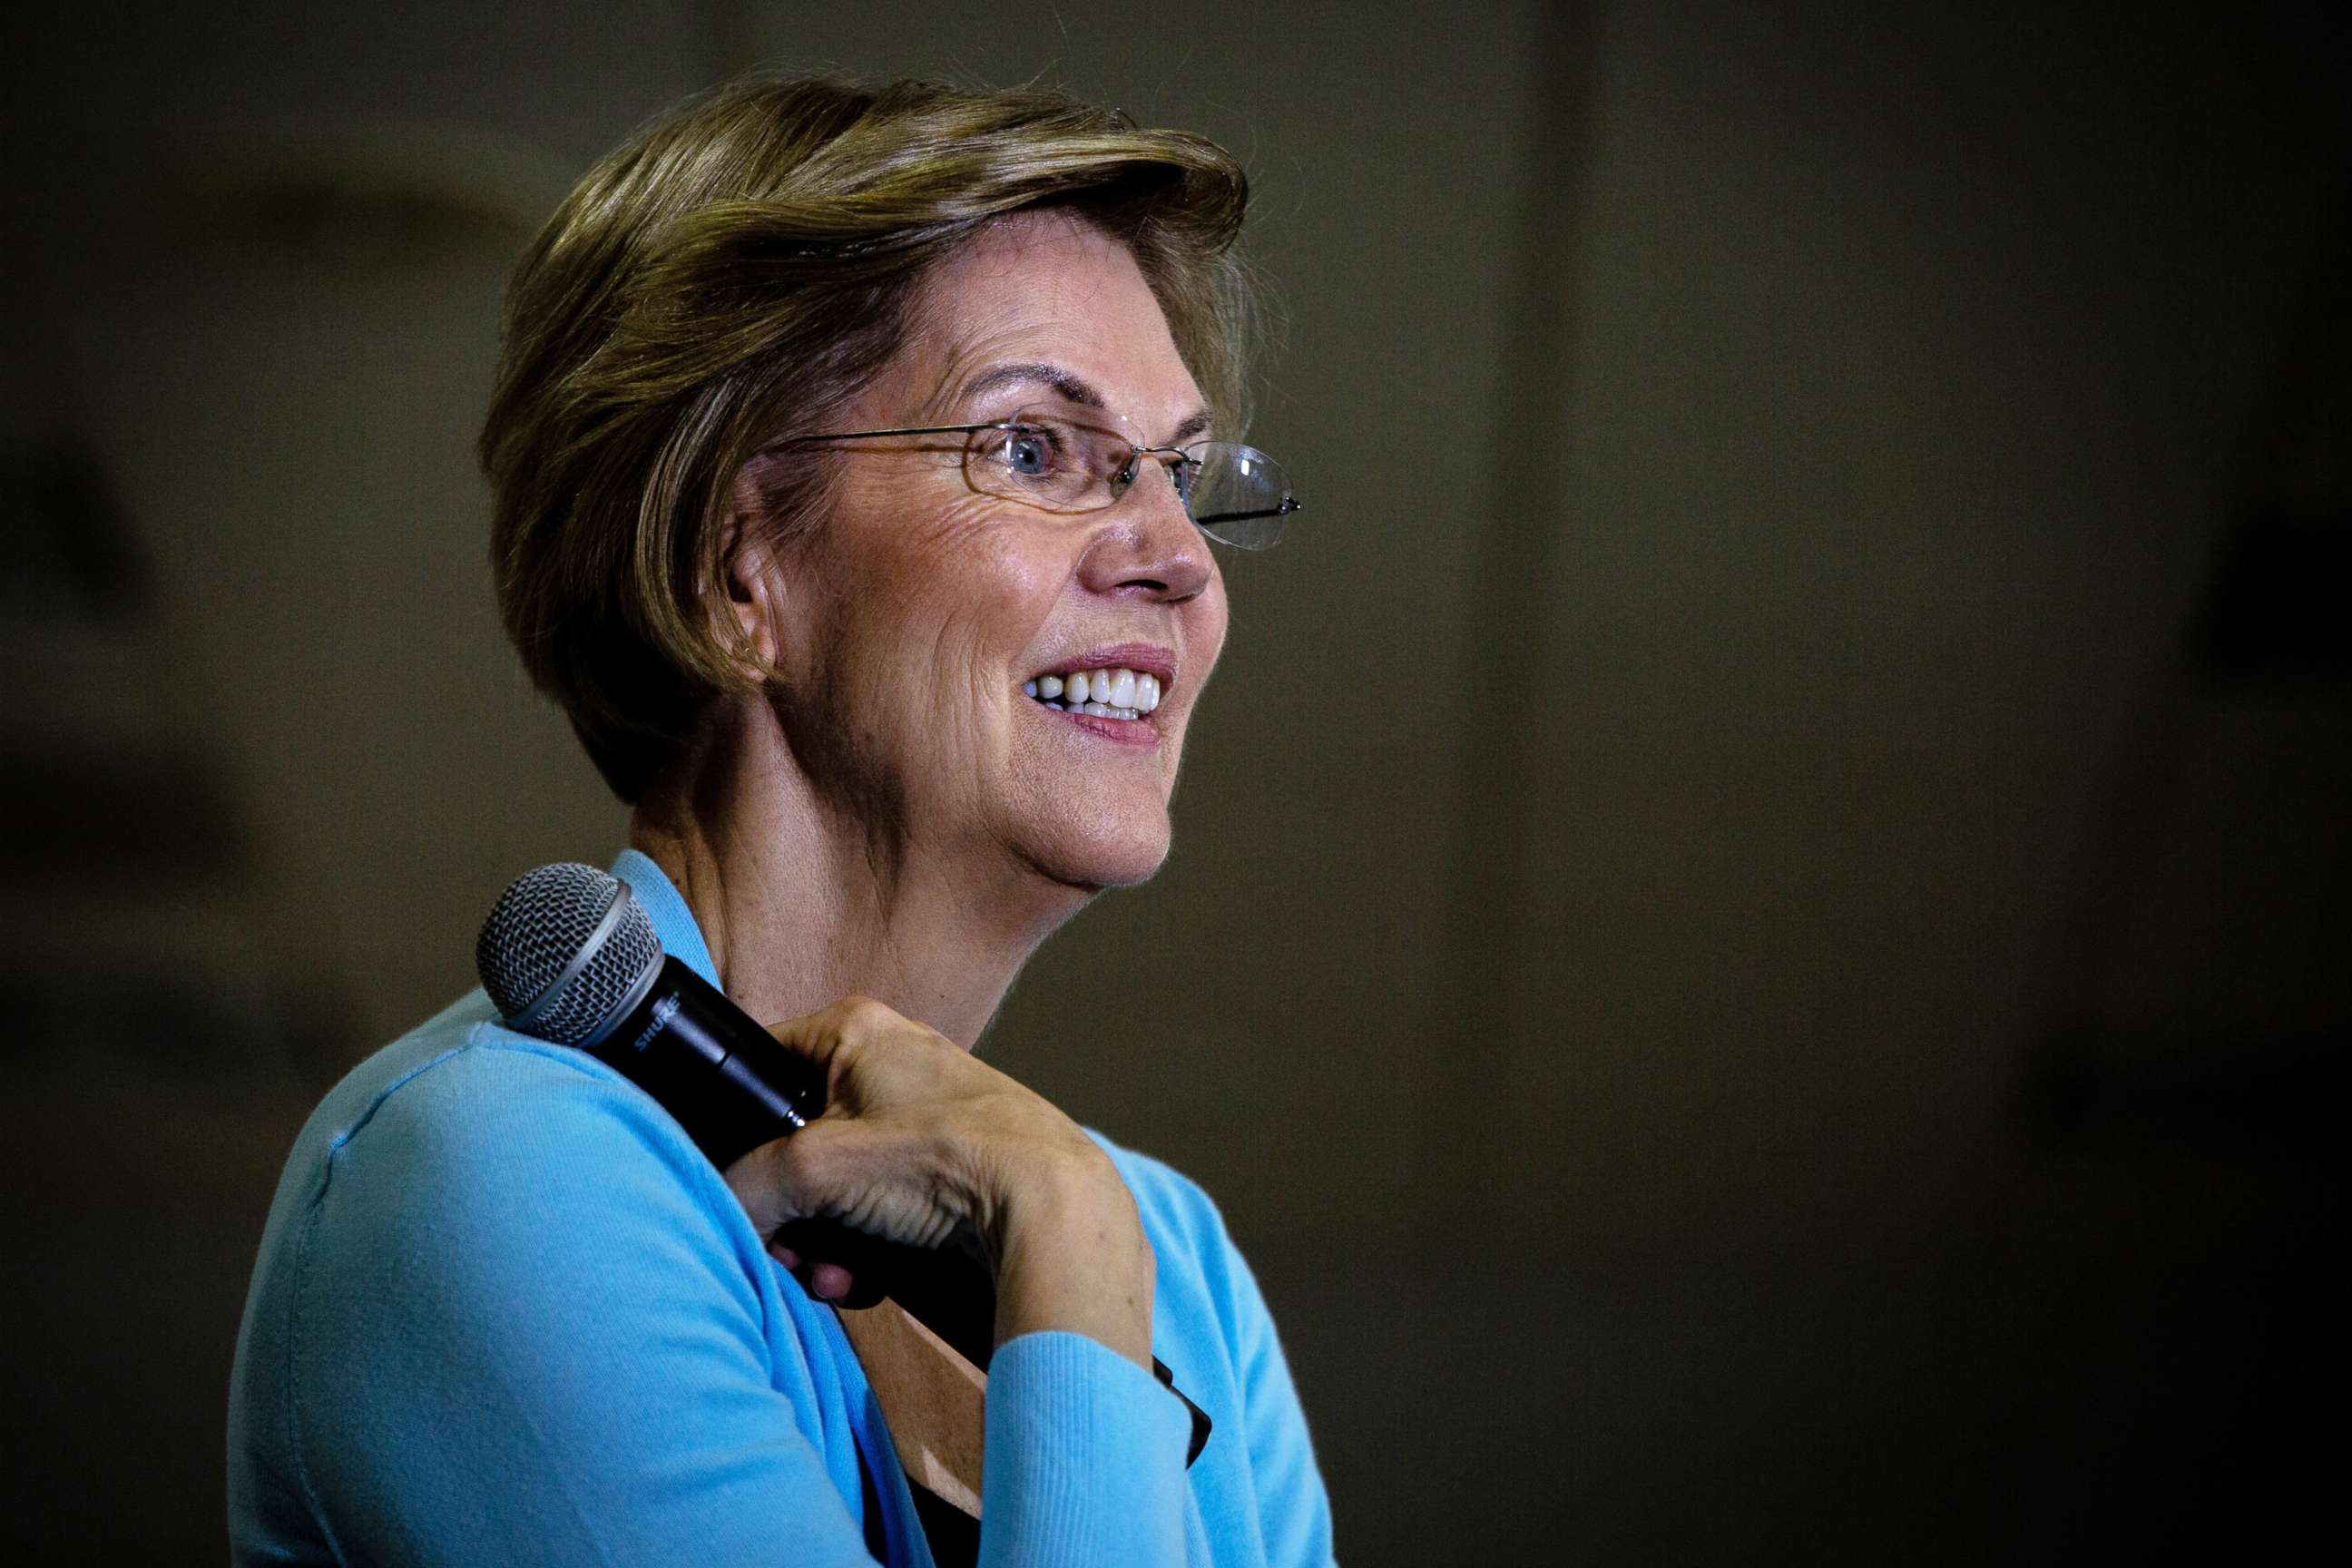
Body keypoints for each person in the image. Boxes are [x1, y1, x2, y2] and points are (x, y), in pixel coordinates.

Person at [227, 74, 1332, 1567]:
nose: (1178, 561)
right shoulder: (503, 1173)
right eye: (1031, 451)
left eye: (1183, 477)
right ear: (735, 566)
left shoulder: (1179, 1267)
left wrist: (1087, 1235)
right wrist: (1069, 1258)